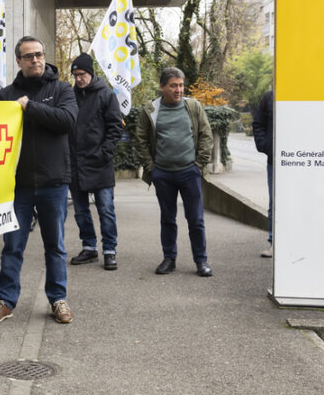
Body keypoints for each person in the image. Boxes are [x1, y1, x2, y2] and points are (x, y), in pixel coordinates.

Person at [0, 36, 78, 325]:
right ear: (19, 61)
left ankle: (58, 299)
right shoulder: (5, 94)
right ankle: (6, 300)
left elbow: (67, 120)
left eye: (39, 54)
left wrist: (30, 107)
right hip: (18, 185)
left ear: (44, 56)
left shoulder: (62, 89)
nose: (35, 59)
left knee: (56, 245)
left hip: (54, 182)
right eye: (28, 56)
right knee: (13, 245)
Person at [135, 67, 214, 278]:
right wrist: (152, 169)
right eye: (173, 86)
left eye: (181, 85)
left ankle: (201, 261)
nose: (178, 90)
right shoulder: (150, 110)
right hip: (163, 175)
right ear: (162, 87)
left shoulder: (193, 106)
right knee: (168, 219)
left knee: (195, 219)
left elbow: (206, 135)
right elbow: (141, 140)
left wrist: (198, 165)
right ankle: (169, 259)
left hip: (189, 172)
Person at [67, 53, 124, 271]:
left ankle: (110, 250)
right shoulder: (70, 95)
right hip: (77, 165)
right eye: (75, 75)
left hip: (100, 163)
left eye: (81, 74)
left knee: (106, 210)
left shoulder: (106, 94)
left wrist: (104, 152)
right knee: (81, 211)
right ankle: (89, 247)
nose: (78, 78)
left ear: (90, 73)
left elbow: (115, 127)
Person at [251, 90, 274, 258]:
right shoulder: (270, 97)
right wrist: (266, 146)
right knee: (276, 203)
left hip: (302, 160)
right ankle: (274, 243)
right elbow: (258, 123)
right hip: (276, 161)